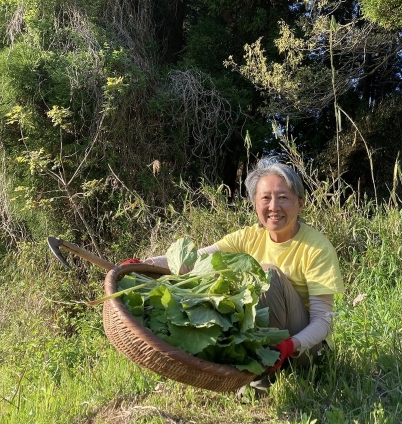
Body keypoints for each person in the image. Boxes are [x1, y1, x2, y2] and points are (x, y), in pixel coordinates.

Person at [146, 157, 345, 397]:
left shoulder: (317, 248)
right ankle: (242, 370)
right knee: (217, 283)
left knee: (267, 273)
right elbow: (196, 259)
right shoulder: (248, 237)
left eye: (283, 197)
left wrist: (288, 346)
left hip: (304, 352)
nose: (274, 206)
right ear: (254, 204)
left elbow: (324, 320)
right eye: (265, 198)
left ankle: (259, 385)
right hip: (264, 342)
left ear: (300, 204)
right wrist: (145, 264)